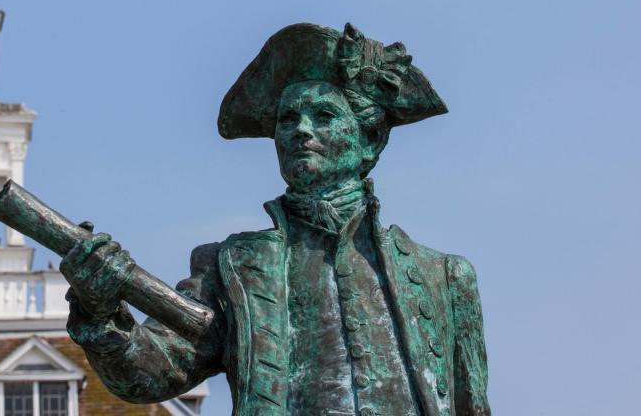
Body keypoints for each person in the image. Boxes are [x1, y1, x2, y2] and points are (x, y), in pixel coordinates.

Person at [61, 23, 490, 416]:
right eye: (288, 119)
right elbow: (150, 373)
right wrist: (100, 314)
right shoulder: (233, 267)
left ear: (370, 141)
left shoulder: (444, 279)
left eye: (323, 116)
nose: (300, 130)